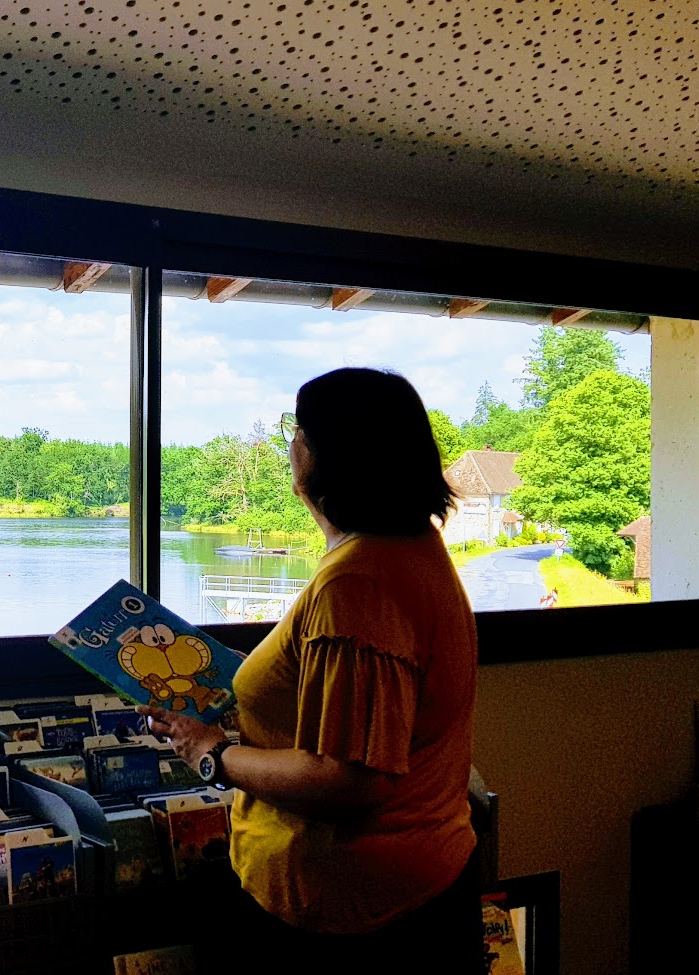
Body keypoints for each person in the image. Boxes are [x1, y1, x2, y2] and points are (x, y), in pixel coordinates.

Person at [140, 368, 481, 973]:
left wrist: (209, 751)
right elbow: (350, 695)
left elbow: (348, 782)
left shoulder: (358, 582)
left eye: (298, 430)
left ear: (327, 456)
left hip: (349, 914)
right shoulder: (410, 550)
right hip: (411, 888)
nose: (290, 444)